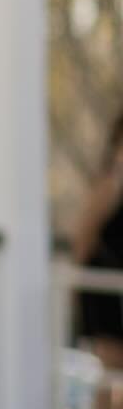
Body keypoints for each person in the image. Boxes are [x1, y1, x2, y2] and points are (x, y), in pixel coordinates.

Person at [72, 108, 123, 368]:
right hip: (103, 288)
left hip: (114, 285)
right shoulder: (109, 184)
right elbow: (83, 240)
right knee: (110, 368)